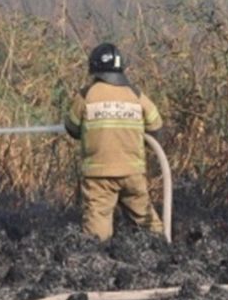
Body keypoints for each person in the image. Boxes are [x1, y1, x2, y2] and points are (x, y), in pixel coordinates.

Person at [64, 42, 164, 241]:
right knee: (147, 222)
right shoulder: (136, 95)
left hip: (99, 176)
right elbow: (156, 129)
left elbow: (72, 128)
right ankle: (163, 250)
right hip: (132, 173)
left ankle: (99, 263)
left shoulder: (86, 95)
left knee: (96, 229)